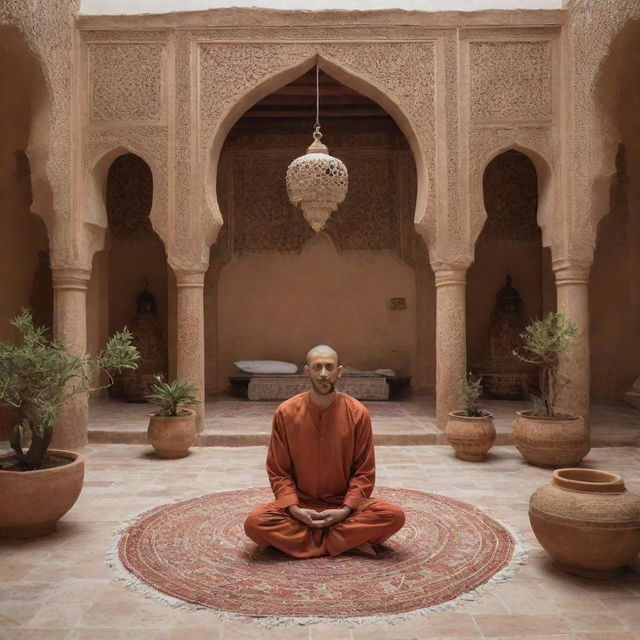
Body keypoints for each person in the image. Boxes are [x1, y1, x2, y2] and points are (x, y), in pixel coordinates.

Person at [244, 345, 405, 558]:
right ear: (307, 372)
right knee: (255, 523)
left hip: (343, 504)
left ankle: (307, 541)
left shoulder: (357, 413)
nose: (323, 374)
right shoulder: (286, 412)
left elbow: (364, 472)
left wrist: (345, 510)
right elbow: (278, 470)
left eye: (328, 367)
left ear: (338, 371)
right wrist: (294, 509)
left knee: (393, 515)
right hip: (301, 505)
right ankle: (347, 541)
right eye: (317, 367)